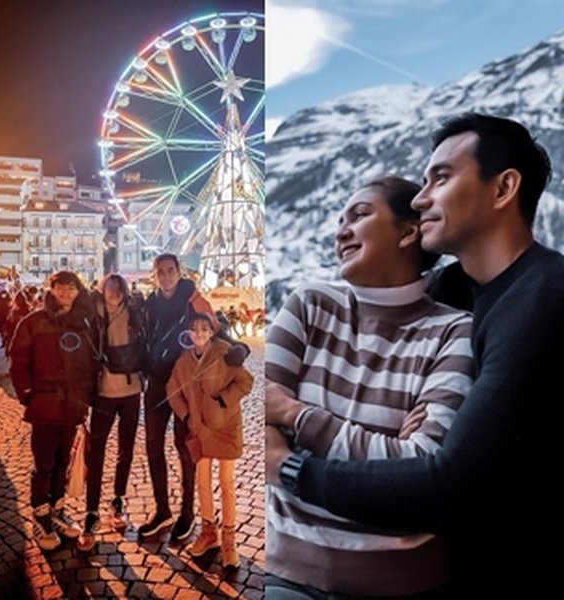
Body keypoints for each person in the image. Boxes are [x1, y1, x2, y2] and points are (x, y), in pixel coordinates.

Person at [265, 113, 554, 594]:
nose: (422, 201)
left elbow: (436, 482)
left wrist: (291, 457)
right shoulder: (461, 290)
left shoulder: (539, 303)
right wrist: (388, 449)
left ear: (503, 189)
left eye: (440, 178)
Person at [263, 176, 474, 596]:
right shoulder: (309, 305)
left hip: (404, 584)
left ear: (408, 231)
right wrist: (385, 445)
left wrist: (294, 416)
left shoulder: (455, 330)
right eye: (341, 219)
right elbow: (262, 438)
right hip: (286, 575)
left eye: (360, 215)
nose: (341, 230)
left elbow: (421, 468)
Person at [8, 271, 99, 551]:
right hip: (46, 403)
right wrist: (27, 395)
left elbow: (91, 361)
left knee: (63, 461)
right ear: (53, 289)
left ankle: (57, 510)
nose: (66, 292)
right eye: (61, 286)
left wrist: (86, 396)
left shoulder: (84, 322)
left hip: (72, 405)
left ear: (77, 291)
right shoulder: (34, 321)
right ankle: (41, 514)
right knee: (43, 462)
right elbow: (18, 360)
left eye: (71, 287)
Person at [139, 253, 216, 541]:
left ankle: (187, 513)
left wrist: (233, 352)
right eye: (161, 272)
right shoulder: (149, 305)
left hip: (186, 385)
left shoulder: (195, 302)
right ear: (155, 275)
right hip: (157, 383)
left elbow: (217, 332)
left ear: (180, 272)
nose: (167, 276)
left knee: (185, 448)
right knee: (153, 446)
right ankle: (162, 510)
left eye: (171, 271)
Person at [169, 311, 254, 568]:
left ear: (212, 330)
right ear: (188, 333)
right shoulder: (183, 361)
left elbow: (245, 382)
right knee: (202, 482)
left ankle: (229, 538)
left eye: (204, 328)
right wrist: (185, 416)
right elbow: (172, 391)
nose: (199, 333)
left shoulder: (225, 352)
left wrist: (222, 400)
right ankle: (209, 532)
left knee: (226, 483)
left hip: (226, 426)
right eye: (194, 329)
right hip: (200, 430)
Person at [76, 274, 144, 551]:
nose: (114, 292)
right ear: (101, 290)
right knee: (97, 452)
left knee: (125, 451)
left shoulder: (136, 310)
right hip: (104, 392)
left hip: (132, 391)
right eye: (109, 287)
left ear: (125, 290)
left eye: (119, 287)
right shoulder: (92, 312)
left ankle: (118, 500)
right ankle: (91, 512)